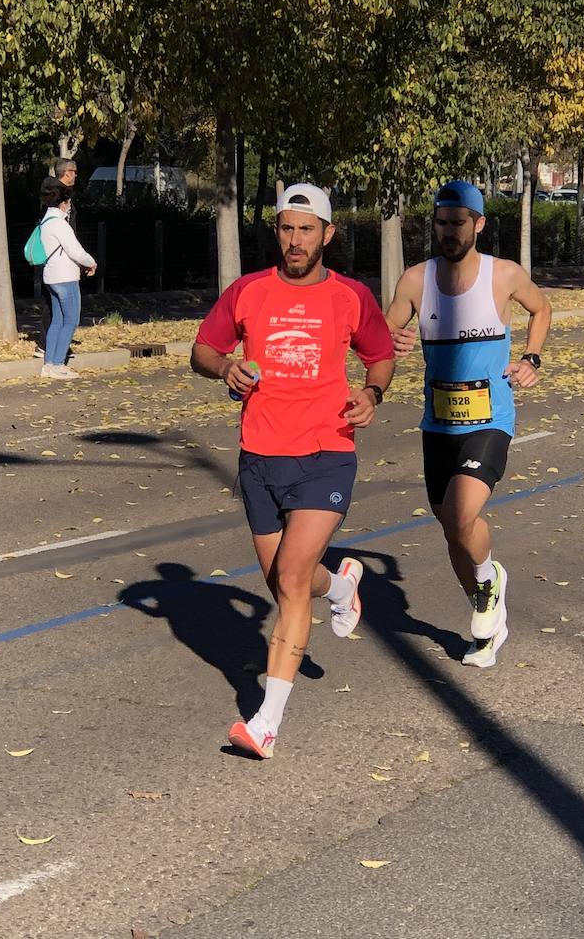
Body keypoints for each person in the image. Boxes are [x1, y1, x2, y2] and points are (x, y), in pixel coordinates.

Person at [191, 183, 395, 758]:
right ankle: (345, 584)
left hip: (327, 452)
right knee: (286, 581)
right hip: (259, 457)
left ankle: (266, 723)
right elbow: (202, 350)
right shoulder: (248, 292)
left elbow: (380, 355)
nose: (295, 239)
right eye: (287, 228)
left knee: (291, 577)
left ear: (328, 234)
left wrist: (372, 393)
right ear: (277, 231)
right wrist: (226, 366)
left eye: (307, 229)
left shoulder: (351, 297)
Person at [386, 181, 551, 669]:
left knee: (461, 516)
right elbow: (381, 333)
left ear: (478, 224)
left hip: (490, 418)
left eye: (458, 222)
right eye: (440, 223)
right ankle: (486, 603)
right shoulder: (416, 280)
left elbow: (541, 309)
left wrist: (531, 360)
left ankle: (488, 586)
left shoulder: (504, 276)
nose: (448, 231)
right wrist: (395, 344)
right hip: (438, 424)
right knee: (451, 528)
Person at [37, 176, 96, 378]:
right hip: (66, 277)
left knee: (57, 321)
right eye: (69, 202)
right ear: (63, 203)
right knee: (71, 320)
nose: (69, 206)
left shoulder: (45, 222)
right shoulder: (61, 225)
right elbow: (75, 251)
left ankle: (48, 365)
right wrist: (91, 262)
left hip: (51, 277)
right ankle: (58, 364)